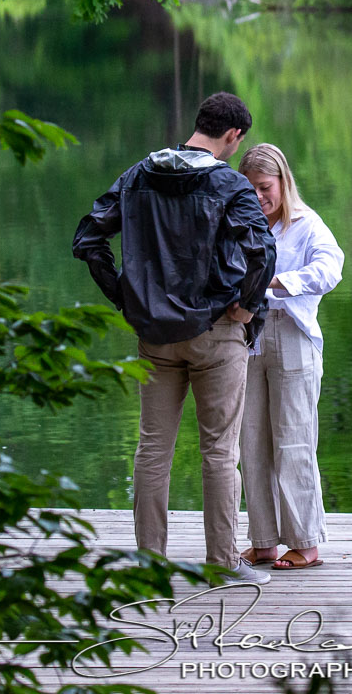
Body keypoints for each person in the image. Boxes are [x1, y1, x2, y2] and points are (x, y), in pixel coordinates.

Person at [71, 92, 276, 585]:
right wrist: (246, 306)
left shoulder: (138, 175)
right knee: (219, 452)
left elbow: (88, 240)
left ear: (199, 124)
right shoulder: (228, 182)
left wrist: (126, 298)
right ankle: (222, 563)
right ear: (233, 136)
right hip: (216, 331)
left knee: (152, 448)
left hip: (155, 336)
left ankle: (149, 563)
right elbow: (262, 254)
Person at [236, 143, 343, 571]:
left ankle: (305, 542)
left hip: (292, 334)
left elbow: (331, 268)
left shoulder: (307, 224)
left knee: (294, 441)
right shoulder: (239, 226)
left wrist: (281, 282)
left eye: (265, 188)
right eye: (250, 190)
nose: (259, 197)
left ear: (283, 182)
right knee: (251, 440)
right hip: (248, 338)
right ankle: (263, 541)